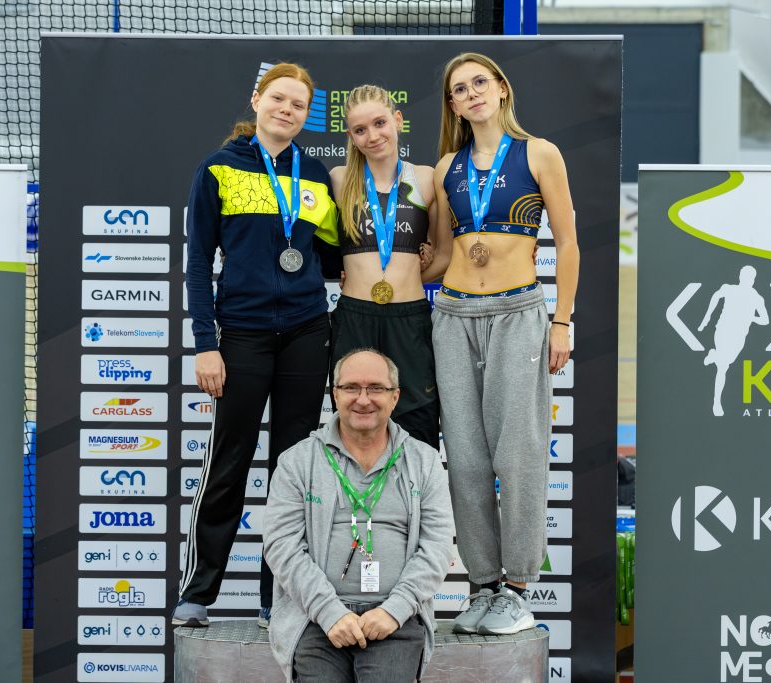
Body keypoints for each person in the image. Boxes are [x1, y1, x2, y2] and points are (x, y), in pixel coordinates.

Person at [173, 62, 341, 630]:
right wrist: (206, 343)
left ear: (306, 115)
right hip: (241, 334)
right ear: (257, 100)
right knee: (229, 462)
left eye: (298, 104)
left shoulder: (313, 174)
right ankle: (199, 592)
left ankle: (281, 597)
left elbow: (329, 255)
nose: (287, 110)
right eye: (279, 99)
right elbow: (198, 263)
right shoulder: (218, 168)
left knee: (293, 471)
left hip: (306, 332)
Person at [428, 52, 579, 635]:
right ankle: (483, 586)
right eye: (459, 89)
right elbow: (443, 254)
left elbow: (568, 243)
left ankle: (517, 589)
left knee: (517, 455)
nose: (471, 94)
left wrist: (561, 321)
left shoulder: (539, 153)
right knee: (465, 460)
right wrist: (375, 271)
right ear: (452, 105)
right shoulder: (447, 167)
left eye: (479, 83)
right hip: (453, 316)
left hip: (519, 313)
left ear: (501, 89)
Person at [263, 349, 454, 683]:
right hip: (314, 617)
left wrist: (394, 610)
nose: (363, 399)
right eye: (351, 387)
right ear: (335, 394)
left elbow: (436, 548)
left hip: (396, 618)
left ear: (395, 397)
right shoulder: (296, 462)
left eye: (376, 388)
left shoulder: (424, 461)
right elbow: (283, 547)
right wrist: (329, 612)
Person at [329, 84, 444, 449]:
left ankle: (416, 489)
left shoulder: (425, 178)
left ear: (398, 120)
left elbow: (444, 253)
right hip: (354, 316)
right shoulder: (339, 179)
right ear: (351, 135)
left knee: (418, 422)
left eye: (380, 123)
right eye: (360, 130)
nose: (373, 135)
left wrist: (412, 276)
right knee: (353, 421)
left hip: (410, 318)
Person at [698, 265, 769, 416]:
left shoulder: (756, 298)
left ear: (753, 280)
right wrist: (706, 318)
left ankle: (713, 355)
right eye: (745, 276)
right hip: (723, 330)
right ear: (740, 277)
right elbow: (715, 296)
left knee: (726, 361)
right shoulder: (729, 289)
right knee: (723, 367)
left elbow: (765, 320)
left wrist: (752, 318)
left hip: (739, 336)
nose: (747, 280)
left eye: (750, 278)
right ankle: (717, 403)